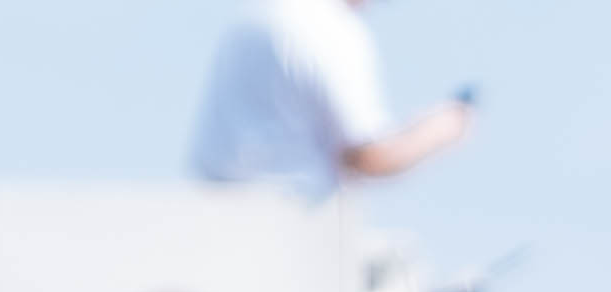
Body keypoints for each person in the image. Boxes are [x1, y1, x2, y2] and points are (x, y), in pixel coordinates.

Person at [188, 0, 465, 199]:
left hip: (216, 215)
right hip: (293, 226)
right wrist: (440, 129)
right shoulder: (331, 29)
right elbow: (370, 157)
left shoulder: (252, 17)